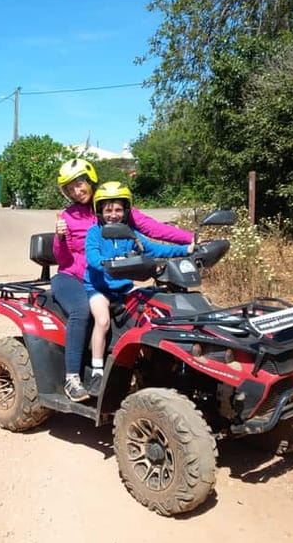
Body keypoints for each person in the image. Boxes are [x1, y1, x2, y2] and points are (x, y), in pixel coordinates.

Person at [52, 159, 193, 402]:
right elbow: (61, 257)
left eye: (80, 183)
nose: (77, 191)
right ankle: (72, 378)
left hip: (113, 279)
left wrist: (191, 240)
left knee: (147, 309)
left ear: (90, 180)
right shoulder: (68, 216)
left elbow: (153, 231)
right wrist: (60, 237)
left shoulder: (112, 204)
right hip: (74, 277)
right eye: (70, 188)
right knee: (81, 311)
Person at [84, 182, 194, 397]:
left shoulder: (129, 233)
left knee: (152, 315)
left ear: (125, 211)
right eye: (108, 210)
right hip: (99, 288)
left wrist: (186, 249)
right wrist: (110, 263)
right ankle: (97, 370)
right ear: (100, 211)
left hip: (124, 287)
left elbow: (154, 248)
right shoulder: (94, 233)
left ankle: (151, 366)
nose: (113, 215)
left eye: (118, 210)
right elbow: (92, 257)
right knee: (103, 321)